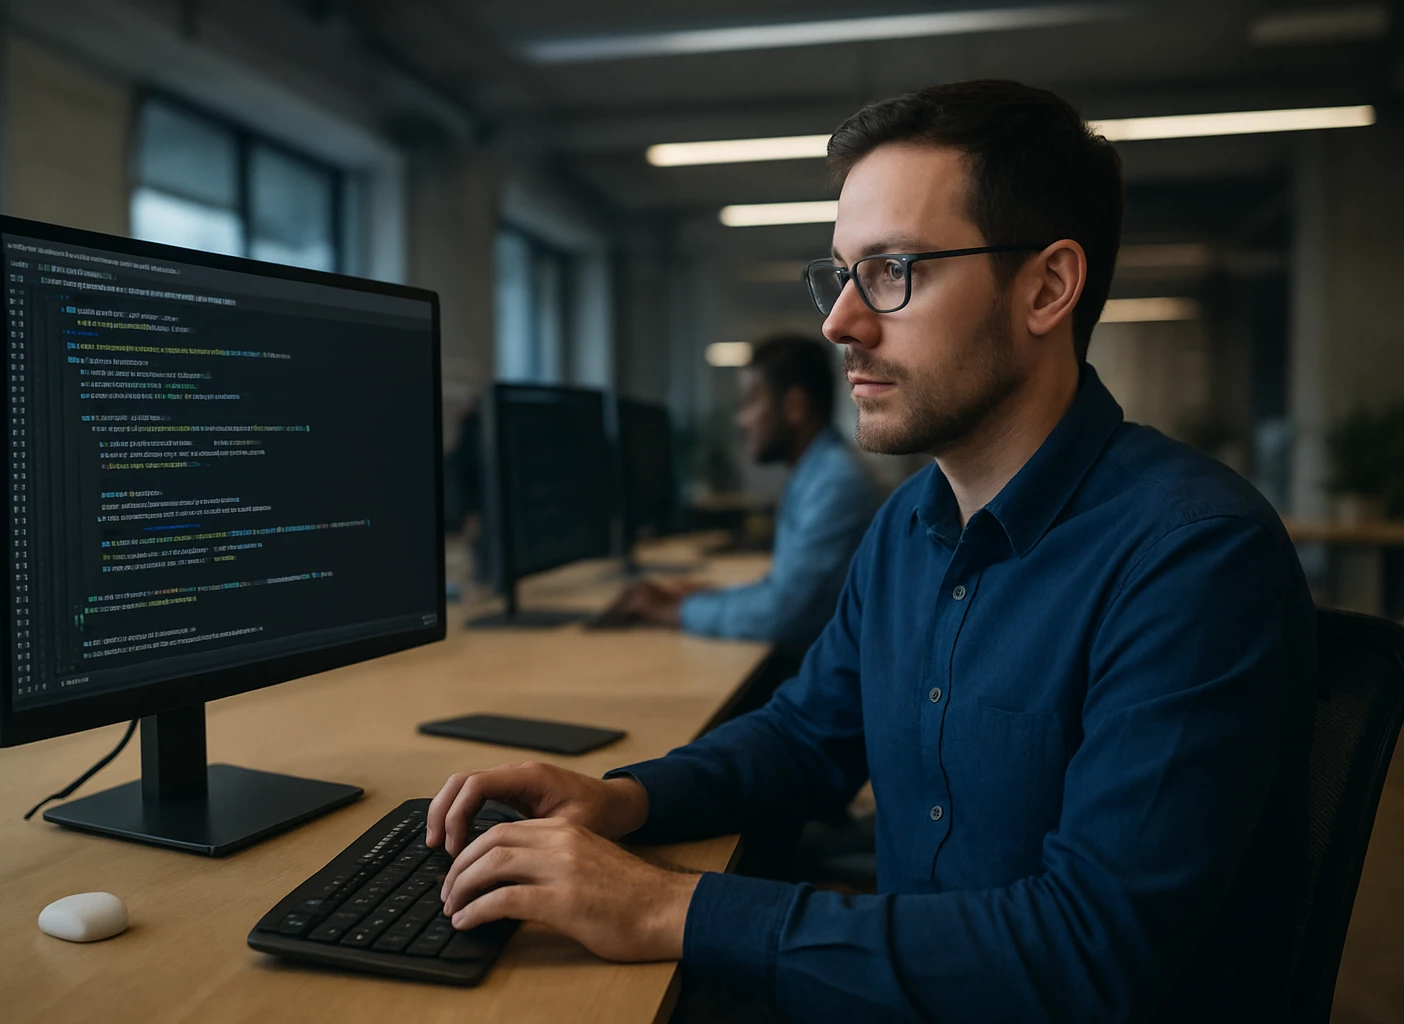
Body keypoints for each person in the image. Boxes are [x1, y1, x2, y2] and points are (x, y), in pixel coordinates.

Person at [424, 80, 1316, 1022]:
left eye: (894, 270)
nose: (840, 322)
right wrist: (624, 801)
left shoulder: (1191, 560)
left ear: (1047, 288)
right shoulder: (910, 527)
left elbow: (1087, 956)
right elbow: (807, 735)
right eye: (840, 274)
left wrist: (666, 905)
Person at [610, 336, 881, 649]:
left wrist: (673, 610)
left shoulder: (836, 483)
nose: (741, 421)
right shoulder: (815, 474)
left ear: (794, 406)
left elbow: (782, 613)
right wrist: (703, 598)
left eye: (751, 401)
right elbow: (787, 589)